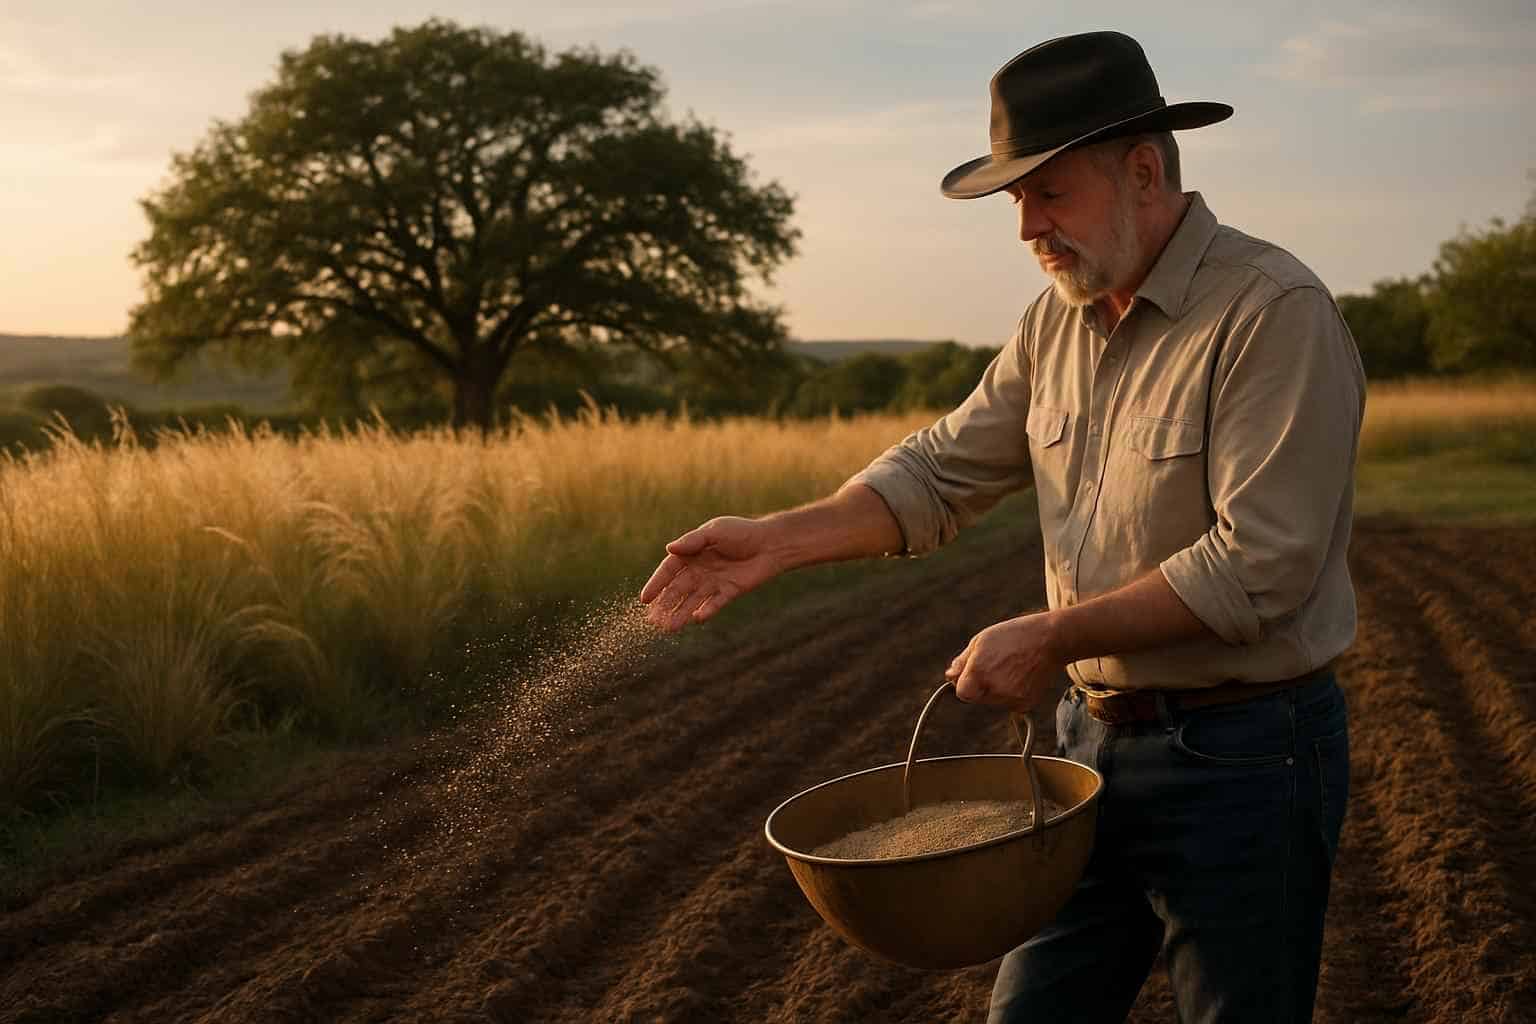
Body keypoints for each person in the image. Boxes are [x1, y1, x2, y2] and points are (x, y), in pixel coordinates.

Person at [639, 29, 1364, 1024]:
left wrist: (1054, 633)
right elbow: (940, 468)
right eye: (1014, 198)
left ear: (1142, 170)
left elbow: (1260, 567)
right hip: (1082, 752)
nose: (1026, 224)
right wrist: (780, 539)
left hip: (1246, 758)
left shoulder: (1270, 312)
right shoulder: (1054, 322)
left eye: (1047, 190)